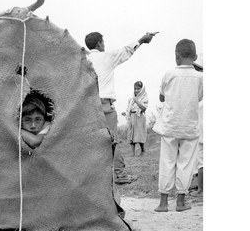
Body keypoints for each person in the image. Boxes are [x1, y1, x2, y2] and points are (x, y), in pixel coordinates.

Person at [85, 31, 156, 183]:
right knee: (112, 140)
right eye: (103, 42)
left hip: (87, 106)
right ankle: (119, 174)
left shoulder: (83, 59)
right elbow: (126, 50)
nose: (104, 45)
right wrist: (142, 39)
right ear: (99, 43)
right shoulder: (106, 57)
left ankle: (94, 176)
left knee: (92, 141)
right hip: (104, 104)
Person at [152, 39, 203, 212]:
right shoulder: (200, 77)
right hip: (190, 126)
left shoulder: (169, 74)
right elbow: (200, 97)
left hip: (170, 125)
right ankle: (181, 201)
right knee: (186, 163)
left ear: (176, 56)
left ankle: (163, 202)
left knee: (166, 161)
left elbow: (161, 97)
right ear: (195, 57)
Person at [122, 81, 149, 156]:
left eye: (138, 89)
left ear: (142, 89)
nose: (136, 90)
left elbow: (144, 108)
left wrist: (137, 101)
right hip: (132, 116)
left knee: (139, 133)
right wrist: (126, 113)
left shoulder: (144, 97)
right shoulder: (131, 98)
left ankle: (143, 151)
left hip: (140, 116)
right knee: (132, 134)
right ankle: (133, 152)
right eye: (135, 88)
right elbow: (129, 108)